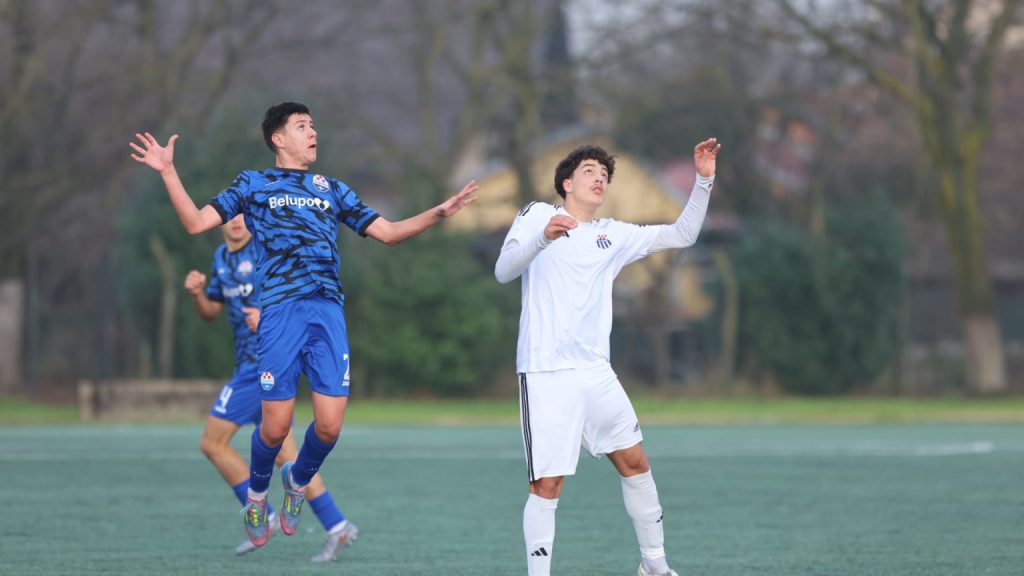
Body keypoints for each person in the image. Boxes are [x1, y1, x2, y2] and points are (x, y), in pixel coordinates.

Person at [131, 101, 478, 547]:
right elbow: (197, 223)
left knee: (330, 426)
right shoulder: (253, 184)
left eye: (313, 125)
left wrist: (439, 213)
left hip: (327, 311)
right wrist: (167, 172)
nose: (313, 132)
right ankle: (257, 497)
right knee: (275, 428)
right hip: (280, 312)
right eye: (301, 126)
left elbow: (389, 233)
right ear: (278, 139)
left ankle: (296, 482)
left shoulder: (330, 188)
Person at [494, 139, 721, 576]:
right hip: (546, 372)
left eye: (604, 175)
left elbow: (683, 234)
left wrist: (703, 180)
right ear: (566, 183)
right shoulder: (538, 215)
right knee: (547, 484)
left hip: (596, 372)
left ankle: (654, 565)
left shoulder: (613, 234)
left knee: (635, 463)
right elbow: (504, 271)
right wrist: (542, 239)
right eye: (590, 171)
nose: (599, 178)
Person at [185, 213, 357, 562]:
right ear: (219, 220)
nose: (236, 221)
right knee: (287, 456)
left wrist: (269, 315)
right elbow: (210, 311)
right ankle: (337, 526)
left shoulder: (267, 249)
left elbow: (297, 292)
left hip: (264, 363)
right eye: (230, 215)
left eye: (243, 215)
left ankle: (263, 514)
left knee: (213, 442)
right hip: (251, 363)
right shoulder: (222, 258)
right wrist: (198, 293)